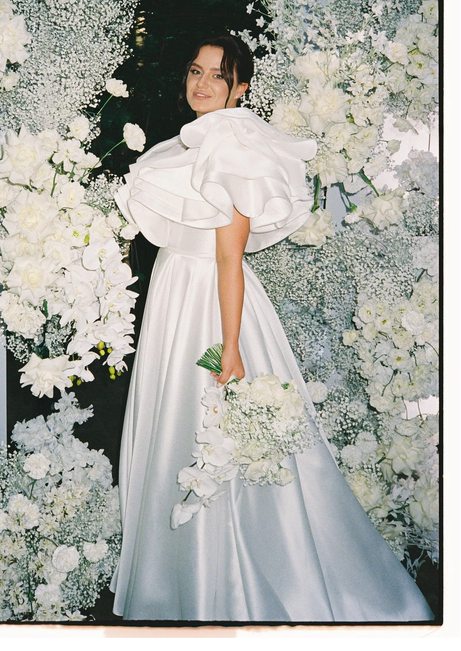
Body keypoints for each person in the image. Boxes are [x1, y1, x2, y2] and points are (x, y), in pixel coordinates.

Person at [110, 34, 434, 623]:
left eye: (218, 75)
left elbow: (229, 258)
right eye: (196, 71)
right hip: (176, 300)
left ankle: (227, 587)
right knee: (174, 428)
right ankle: (175, 583)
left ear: (241, 88)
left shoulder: (235, 149)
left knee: (213, 435)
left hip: (212, 310)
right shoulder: (186, 145)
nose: (203, 83)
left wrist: (230, 347)